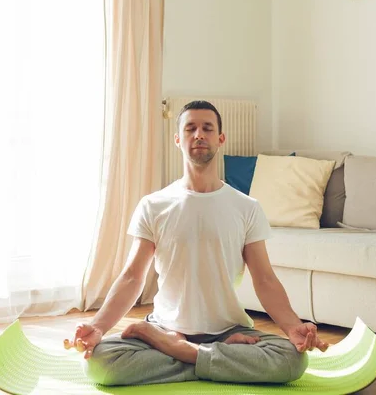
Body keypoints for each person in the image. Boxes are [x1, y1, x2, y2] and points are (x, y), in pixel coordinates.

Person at [67, 100, 329, 386]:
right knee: (101, 364)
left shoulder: (247, 208)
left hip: (228, 330)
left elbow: (264, 279)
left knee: (291, 360)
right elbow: (132, 277)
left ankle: (180, 351)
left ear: (220, 138)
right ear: (178, 139)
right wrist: (97, 327)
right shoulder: (153, 205)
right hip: (166, 327)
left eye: (207, 128)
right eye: (190, 128)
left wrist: (292, 327)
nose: (199, 135)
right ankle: (212, 358)